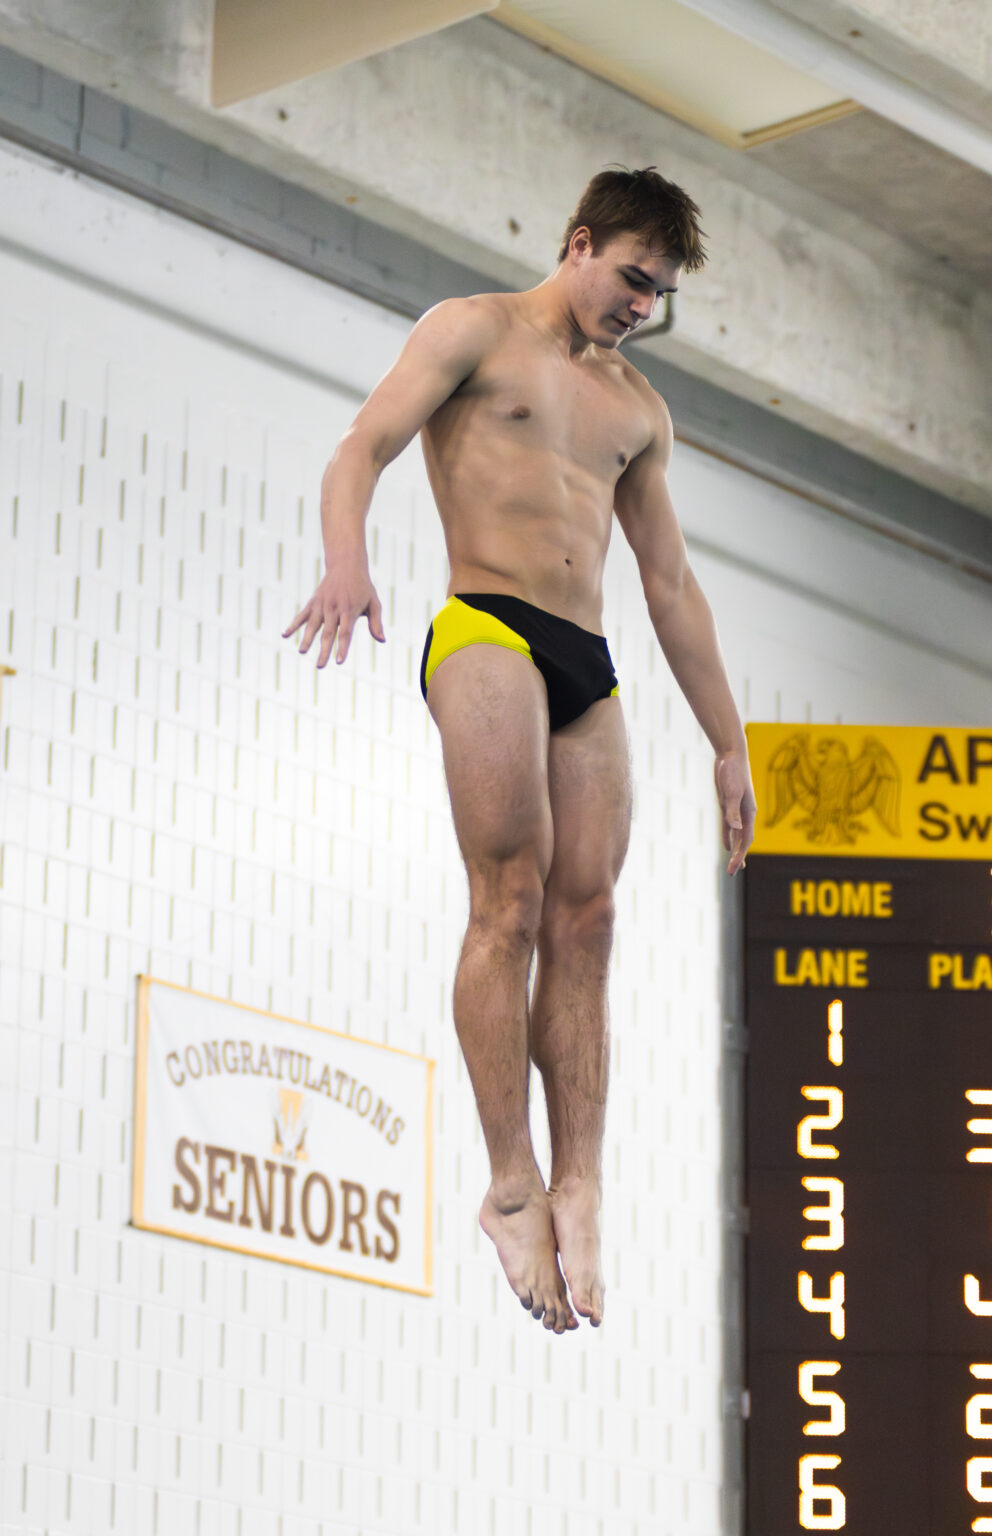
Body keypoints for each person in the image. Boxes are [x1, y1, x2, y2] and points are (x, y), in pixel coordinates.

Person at [284, 167, 756, 1335]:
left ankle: (578, 1181)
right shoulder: (474, 331)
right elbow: (360, 448)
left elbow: (669, 585)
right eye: (633, 278)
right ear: (579, 242)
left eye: (660, 294)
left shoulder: (638, 410)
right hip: (484, 625)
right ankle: (509, 1181)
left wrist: (728, 743)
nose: (641, 306)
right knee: (511, 897)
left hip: (586, 659)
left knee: (588, 922)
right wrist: (347, 561)